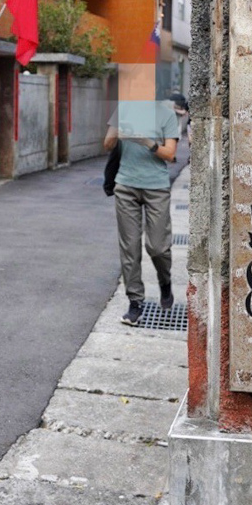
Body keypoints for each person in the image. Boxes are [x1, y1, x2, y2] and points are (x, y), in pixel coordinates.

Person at [103, 75, 180, 327]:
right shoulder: (124, 110)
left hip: (156, 187)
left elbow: (170, 155)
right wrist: (117, 130)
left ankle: (165, 282)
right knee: (130, 248)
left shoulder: (167, 115)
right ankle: (135, 302)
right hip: (126, 185)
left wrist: (145, 141)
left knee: (158, 247)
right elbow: (107, 144)